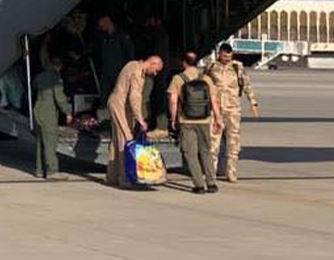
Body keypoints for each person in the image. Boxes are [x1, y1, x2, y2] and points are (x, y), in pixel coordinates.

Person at [105, 54, 164, 187]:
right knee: (126, 140)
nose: (155, 74)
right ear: (152, 63)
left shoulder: (131, 64)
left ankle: (112, 176)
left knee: (117, 141)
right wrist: (140, 119)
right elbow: (134, 97)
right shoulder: (138, 73)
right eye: (156, 70)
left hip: (116, 102)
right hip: (120, 105)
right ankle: (125, 177)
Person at [206, 42, 260, 182]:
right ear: (219, 54)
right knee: (213, 143)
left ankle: (231, 172)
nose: (227, 59)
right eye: (225, 56)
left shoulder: (237, 67)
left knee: (233, 143)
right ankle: (211, 172)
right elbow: (204, 84)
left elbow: (247, 85)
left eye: (229, 57)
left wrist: (253, 103)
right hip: (216, 110)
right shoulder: (211, 67)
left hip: (233, 109)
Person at [170, 51, 219, 193]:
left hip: (186, 120)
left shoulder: (178, 79)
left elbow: (173, 101)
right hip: (204, 120)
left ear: (183, 63)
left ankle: (199, 185)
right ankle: (211, 183)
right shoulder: (206, 78)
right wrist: (218, 118)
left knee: (190, 153)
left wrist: (173, 118)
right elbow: (214, 101)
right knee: (206, 151)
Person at [31, 58, 73, 179]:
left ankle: (39, 169)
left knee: (40, 142)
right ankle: (52, 171)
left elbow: (34, 85)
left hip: (37, 110)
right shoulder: (55, 78)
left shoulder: (40, 76)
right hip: (48, 112)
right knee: (50, 141)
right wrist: (68, 112)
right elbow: (59, 97)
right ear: (59, 66)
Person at [89, 15, 135, 104]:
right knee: (104, 96)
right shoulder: (104, 37)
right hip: (106, 73)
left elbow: (129, 53)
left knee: (120, 97)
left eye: (102, 26)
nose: (101, 28)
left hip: (119, 72)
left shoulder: (121, 36)